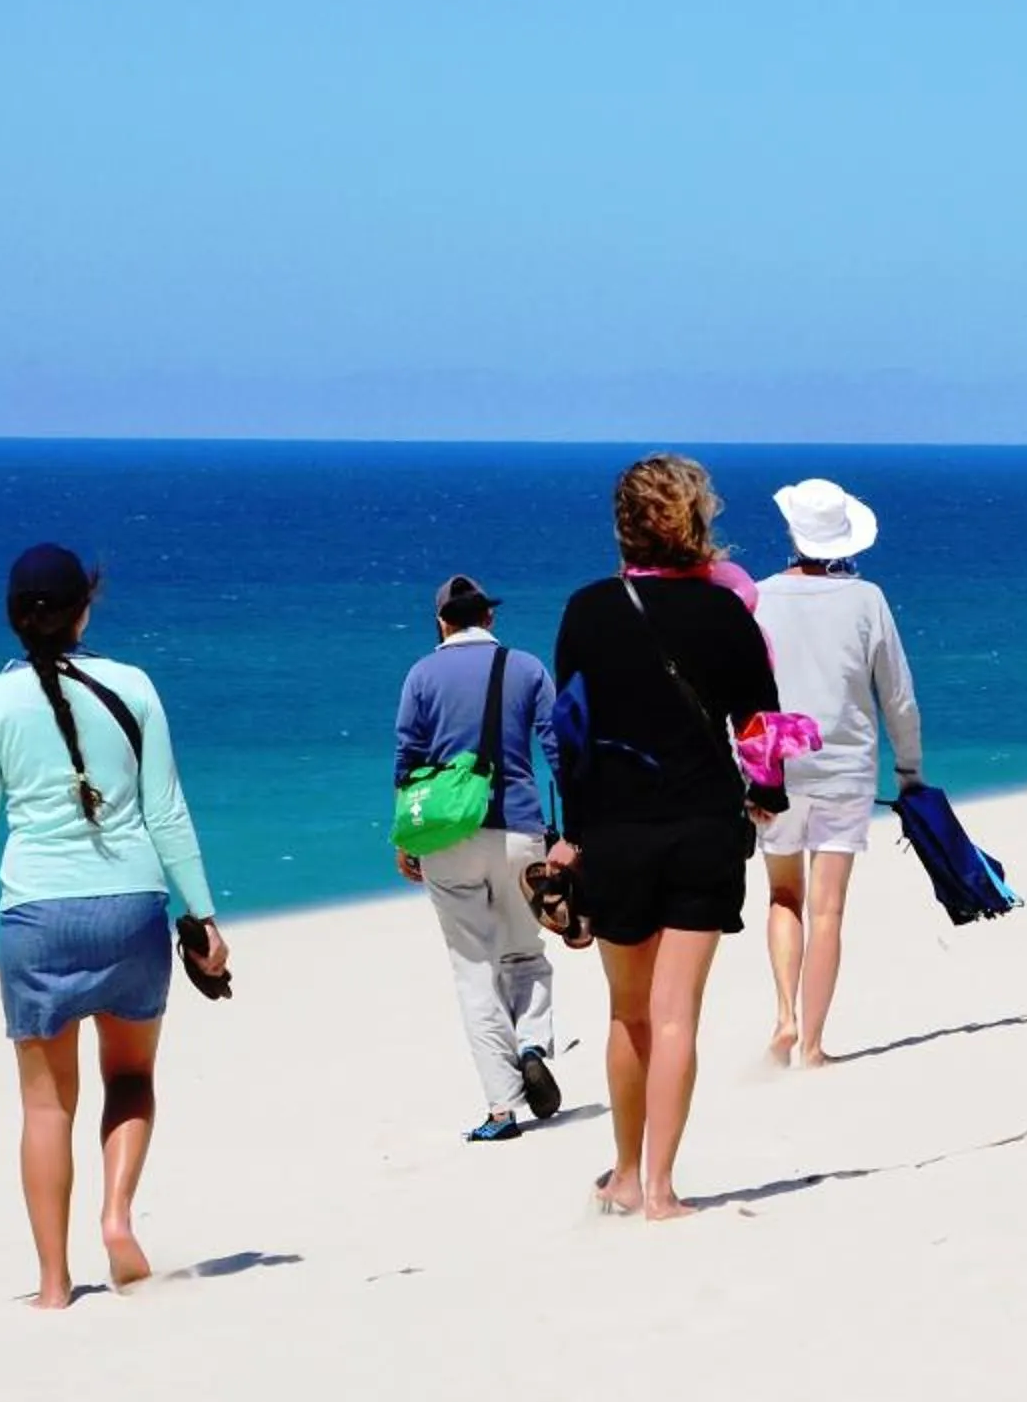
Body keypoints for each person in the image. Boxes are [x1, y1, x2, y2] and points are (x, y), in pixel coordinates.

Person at [0, 544, 231, 1309]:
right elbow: (167, 812)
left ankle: (54, 1286)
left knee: (44, 1106)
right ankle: (117, 1215)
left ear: (12, 615)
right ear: (85, 610)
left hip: (34, 917)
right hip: (131, 907)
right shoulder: (134, 687)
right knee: (129, 1078)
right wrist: (201, 913)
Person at [552, 455, 786, 1220]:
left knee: (630, 1012)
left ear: (623, 524)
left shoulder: (586, 611)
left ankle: (623, 1173)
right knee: (678, 1010)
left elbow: (570, 737)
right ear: (696, 519)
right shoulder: (728, 616)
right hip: (702, 827)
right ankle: (660, 1189)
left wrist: (571, 836)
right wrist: (767, 797)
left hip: (614, 831)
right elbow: (761, 729)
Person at [753, 479, 925, 1068]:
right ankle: (814, 1044)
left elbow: (734, 691)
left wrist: (737, 763)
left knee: (783, 896)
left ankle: (783, 1015)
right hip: (846, 768)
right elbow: (897, 695)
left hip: (775, 765)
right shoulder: (867, 599)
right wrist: (909, 770)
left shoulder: (756, 597)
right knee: (827, 909)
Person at [395, 573, 564, 1143]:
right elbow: (557, 745)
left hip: (447, 836)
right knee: (526, 954)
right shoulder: (527, 667)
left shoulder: (421, 674)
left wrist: (407, 839)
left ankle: (501, 1108)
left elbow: (408, 758)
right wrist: (575, 828)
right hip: (519, 830)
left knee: (475, 971)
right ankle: (534, 1042)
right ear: (488, 619)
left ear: (442, 621)